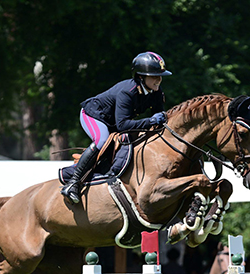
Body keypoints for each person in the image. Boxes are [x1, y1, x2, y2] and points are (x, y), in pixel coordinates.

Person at [60, 51, 172, 204]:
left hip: (115, 121)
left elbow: (159, 120)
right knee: (102, 140)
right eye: (154, 76)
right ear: (141, 76)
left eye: (160, 76)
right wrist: (151, 121)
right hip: (94, 115)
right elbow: (123, 125)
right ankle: (73, 183)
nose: (158, 80)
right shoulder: (128, 92)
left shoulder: (156, 93)